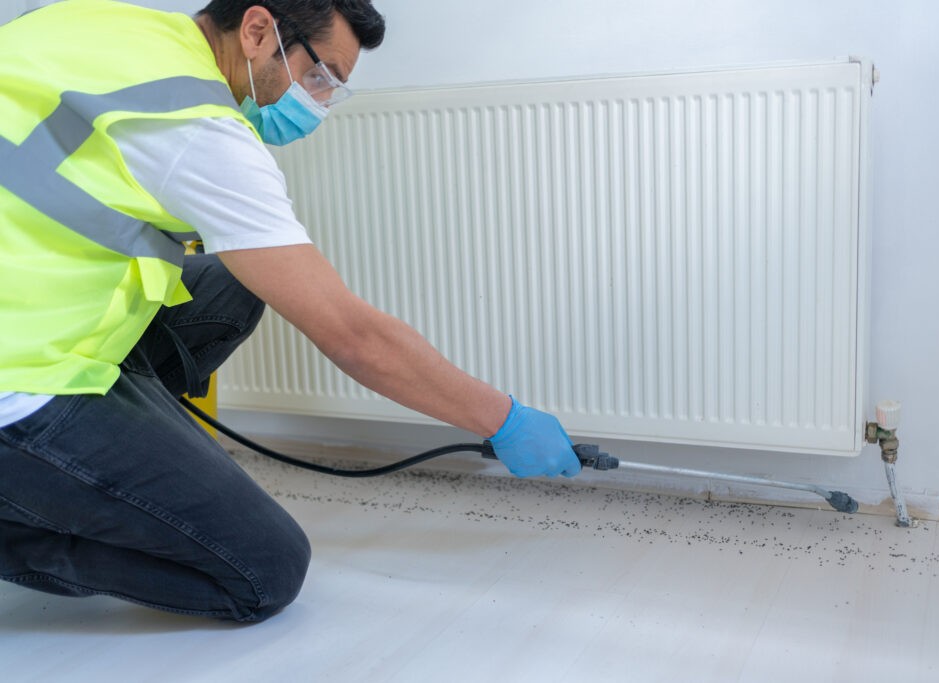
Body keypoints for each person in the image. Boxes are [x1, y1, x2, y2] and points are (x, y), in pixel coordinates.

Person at [0, 0, 581, 623]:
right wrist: (503, 420)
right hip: (22, 376)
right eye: (320, 76)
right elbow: (352, 335)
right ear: (257, 31)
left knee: (234, 281)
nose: (319, 103)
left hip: (27, 309)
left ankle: (104, 463)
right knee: (264, 571)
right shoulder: (195, 127)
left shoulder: (91, 22)